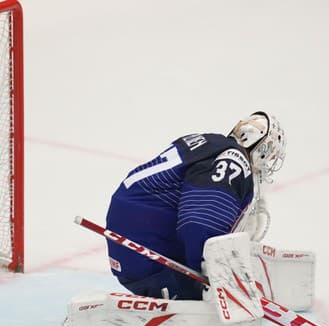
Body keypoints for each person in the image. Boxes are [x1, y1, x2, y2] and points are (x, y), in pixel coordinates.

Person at [105, 111, 286, 301]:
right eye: (270, 156)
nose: (267, 165)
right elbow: (201, 221)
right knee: (207, 301)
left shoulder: (208, 143)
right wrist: (212, 276)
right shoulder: (234, 159)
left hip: (129, 246)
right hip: (149, 256)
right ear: (261, 148)